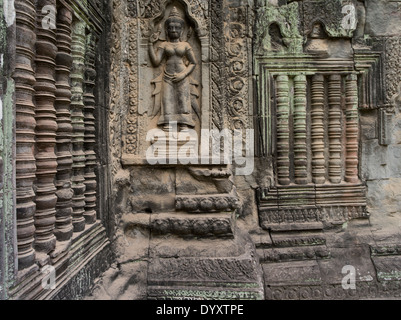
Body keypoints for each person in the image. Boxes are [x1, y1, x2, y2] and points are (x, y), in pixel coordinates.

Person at [148, 7, 200, 131]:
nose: (174, 30)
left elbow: (193, 63)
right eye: (171, 27)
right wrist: (150, 44)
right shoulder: (164, 45)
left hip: (182, 75)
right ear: (167, 29)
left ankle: (184, 124)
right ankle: (168, 124)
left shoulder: (185, 45)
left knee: (183, 99)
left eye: (177, 27)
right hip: (167, 76)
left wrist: (183, 74)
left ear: (181, 30)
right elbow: (156, 62)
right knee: (167, 100)